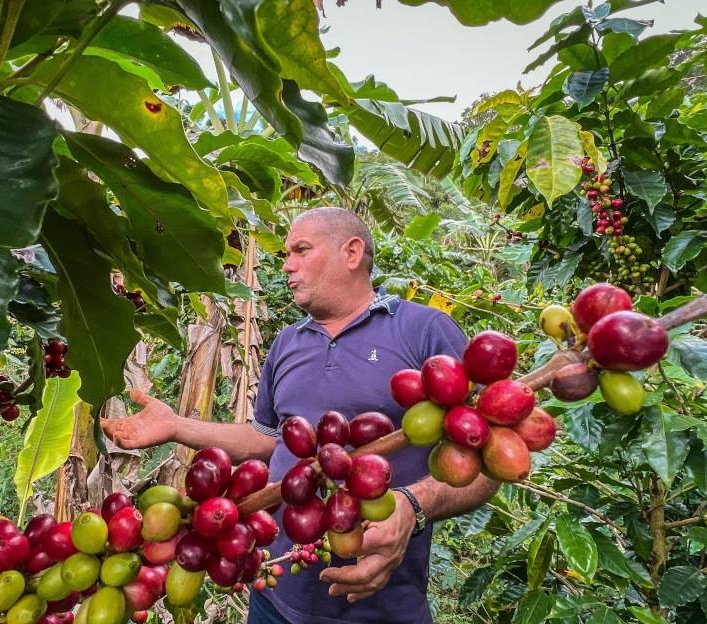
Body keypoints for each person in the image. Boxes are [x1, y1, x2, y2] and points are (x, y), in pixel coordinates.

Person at [103, 207, 499, 624]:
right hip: (275, 597)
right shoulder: (287, 343)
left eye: (301, 250)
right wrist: (176, 427)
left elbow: (487, 458)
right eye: (286, 255)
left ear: (351, 252)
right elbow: (268, 440)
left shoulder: (423, 330)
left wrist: (414, 504)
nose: (287, 265)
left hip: (381, 608)